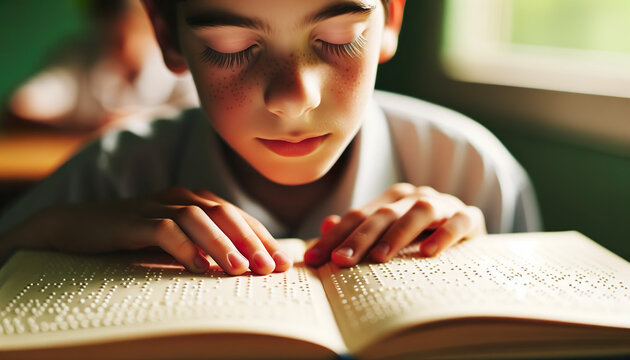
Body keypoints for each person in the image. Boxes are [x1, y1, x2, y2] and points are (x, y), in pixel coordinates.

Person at [0, 0, 540, 276]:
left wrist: (478, 270)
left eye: (337, 39)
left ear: (391, 18)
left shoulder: (474, 171)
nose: (292, 96)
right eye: (232, 46)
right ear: (168, 34)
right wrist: (38, 234)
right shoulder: (107, 176)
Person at [6, 0, 198, 130]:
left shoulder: (182, 63)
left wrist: (139, 124)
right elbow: (21, 106)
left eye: (136, 29)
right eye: (115, 34)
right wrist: (93, 129)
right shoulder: (79, 57)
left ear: (156, 26)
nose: (127, 43)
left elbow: (198, 123)